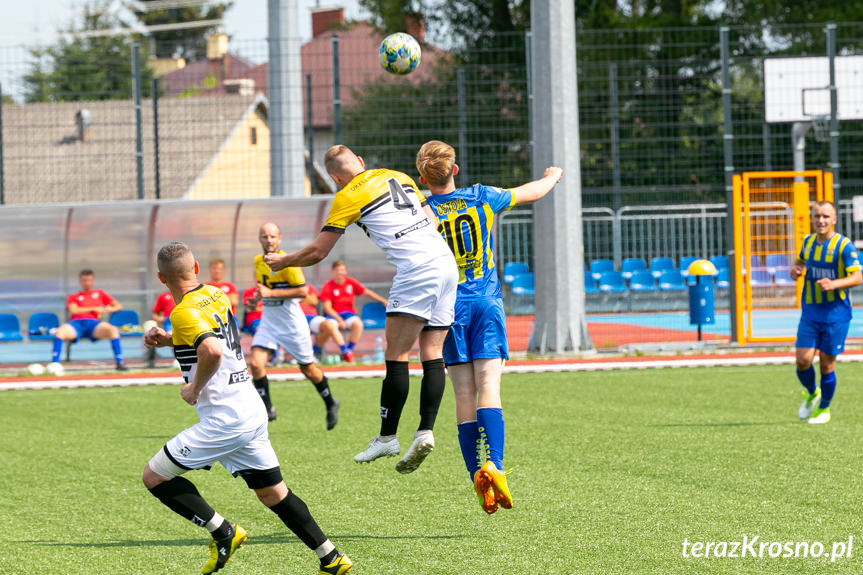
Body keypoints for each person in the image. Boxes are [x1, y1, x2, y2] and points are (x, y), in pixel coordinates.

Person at [142, 241, 352, 575]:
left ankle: (223, 531)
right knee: (274, 494)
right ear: (196, 269)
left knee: (154, 477)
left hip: (226, 418)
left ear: (161, 278)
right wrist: (169, 340)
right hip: (250, 407)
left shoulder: (181, 312)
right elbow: (209, 336)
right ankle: (331, 557)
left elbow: (211, 349)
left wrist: (194, 388)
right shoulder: (214, 293)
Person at [264, 144, 458, 474]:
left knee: (397, 355)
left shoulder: (346, 196)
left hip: (416, 270)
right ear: (362, 162)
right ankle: (425, 430)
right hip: (445, 264)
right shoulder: (398, 175)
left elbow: (317, 253)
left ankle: (387, 437)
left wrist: (284, 261)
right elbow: (432, 220)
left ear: (337, 178)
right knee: (433, 353)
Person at [416, 140, 564, 513]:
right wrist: (553, 176)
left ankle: (474, 474)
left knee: (463, 394)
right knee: (489, 386)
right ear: (456, 169)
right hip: (485, 303)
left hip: (448, 309)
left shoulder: (421, 212)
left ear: (423, 177)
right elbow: (529, 193)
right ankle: (494, 465)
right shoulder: (480, 197)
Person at [249, 222, 340, 429]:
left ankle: (330, 401)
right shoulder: (257, 261)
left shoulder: (289, 263)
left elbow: (302, 292)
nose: (269, 240)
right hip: (269, 321)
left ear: (279, 239)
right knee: (255, 364)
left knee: (308, 369)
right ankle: (268, 409)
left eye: (272, 236)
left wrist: (270, 294)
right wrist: (256, 300)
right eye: (264, 236)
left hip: (291, 323)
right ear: (260, 239)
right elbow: (263, 287)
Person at [791, 200, 862, 425]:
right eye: (817, 216)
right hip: (811, 312)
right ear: (812, 218)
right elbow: (800, 261)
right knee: (802, 361)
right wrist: (796, 269)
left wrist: (835, 284)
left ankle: (824, 409)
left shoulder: (844, 246)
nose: (821, 220)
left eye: (825, 216)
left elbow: (857, 277)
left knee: (826, 364)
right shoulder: (808, 242)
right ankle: (813, 392)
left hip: (836, 315)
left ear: (834, 220)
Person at [51, 268, 128, 370]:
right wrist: (93, 308)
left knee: (113, 330)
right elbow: (74, 310)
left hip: (94, 324)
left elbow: (118, 306)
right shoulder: (73, 296)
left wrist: (108, 309)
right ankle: (54, 365)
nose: (87, 283)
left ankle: (119, 363)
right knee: (60, 331)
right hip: (76, 324)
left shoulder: (100, 293)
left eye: (89, 280)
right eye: (84, 280)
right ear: (80, 281)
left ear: (93, 281)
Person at [320, 260, 388, 361]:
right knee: (332, 326)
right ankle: (345, 351)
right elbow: (327, 308)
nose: (340, 272)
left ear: (346, 271)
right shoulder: (327, 286)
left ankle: (349, 351)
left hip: (348, 314)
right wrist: (339, 320)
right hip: (333, 316)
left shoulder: (351, 282)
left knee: (358, 324)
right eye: (337, 270)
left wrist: (382, 300)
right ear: (333, 271)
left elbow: (366, 292)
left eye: (342, 270)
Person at [300, 283, 352, 363]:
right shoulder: (285, 287)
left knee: (330, 326)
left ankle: (345, 351)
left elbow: (314, 301)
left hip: (311, 317)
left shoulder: (309, 287)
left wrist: (296, 297)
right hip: (295, 318)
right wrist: (305, 296)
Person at [144, 291, 176, 368]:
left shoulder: (190, 293)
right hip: (169, 324)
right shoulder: (163, 296)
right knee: (172, 336)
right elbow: (155, 315)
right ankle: (150, 360)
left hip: (185, 321)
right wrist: (162, 319)